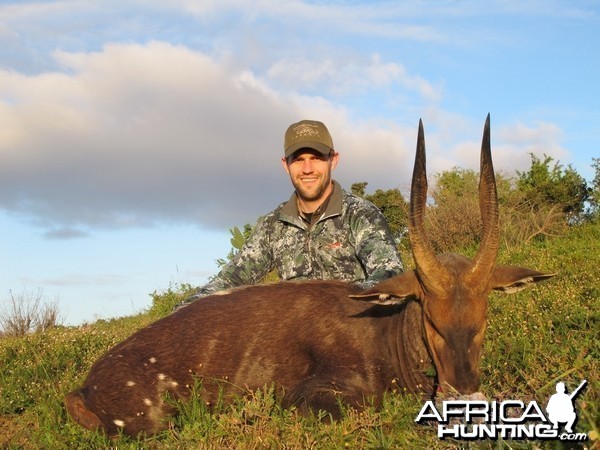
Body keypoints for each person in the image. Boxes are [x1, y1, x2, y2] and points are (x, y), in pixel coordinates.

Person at [180, 119, 403, 306]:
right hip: (292, 341)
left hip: (351, 333)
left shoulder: (360, 214)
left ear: (333, 160)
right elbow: (231, 278)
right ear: (285, 165)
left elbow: (389, 274)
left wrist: (335, 305)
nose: (307, 169)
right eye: (298, 160)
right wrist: (183, 312)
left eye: (316, 158)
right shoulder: (273, 226)